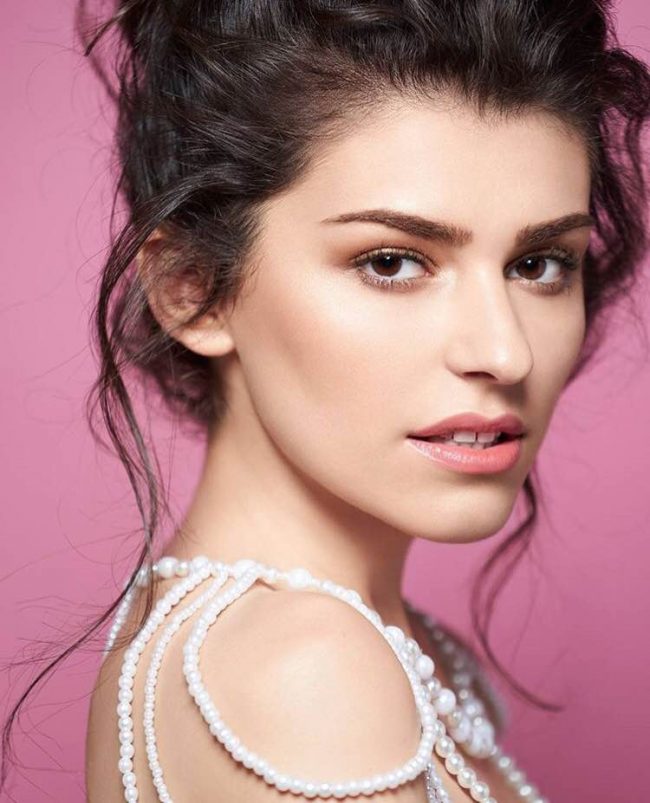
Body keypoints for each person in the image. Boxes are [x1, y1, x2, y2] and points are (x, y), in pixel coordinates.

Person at [3, 1, 648, 801]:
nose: (504, 351)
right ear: (192, 289)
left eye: (540, 263)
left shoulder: (336, 642)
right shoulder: (305, 671)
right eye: (391, 261)